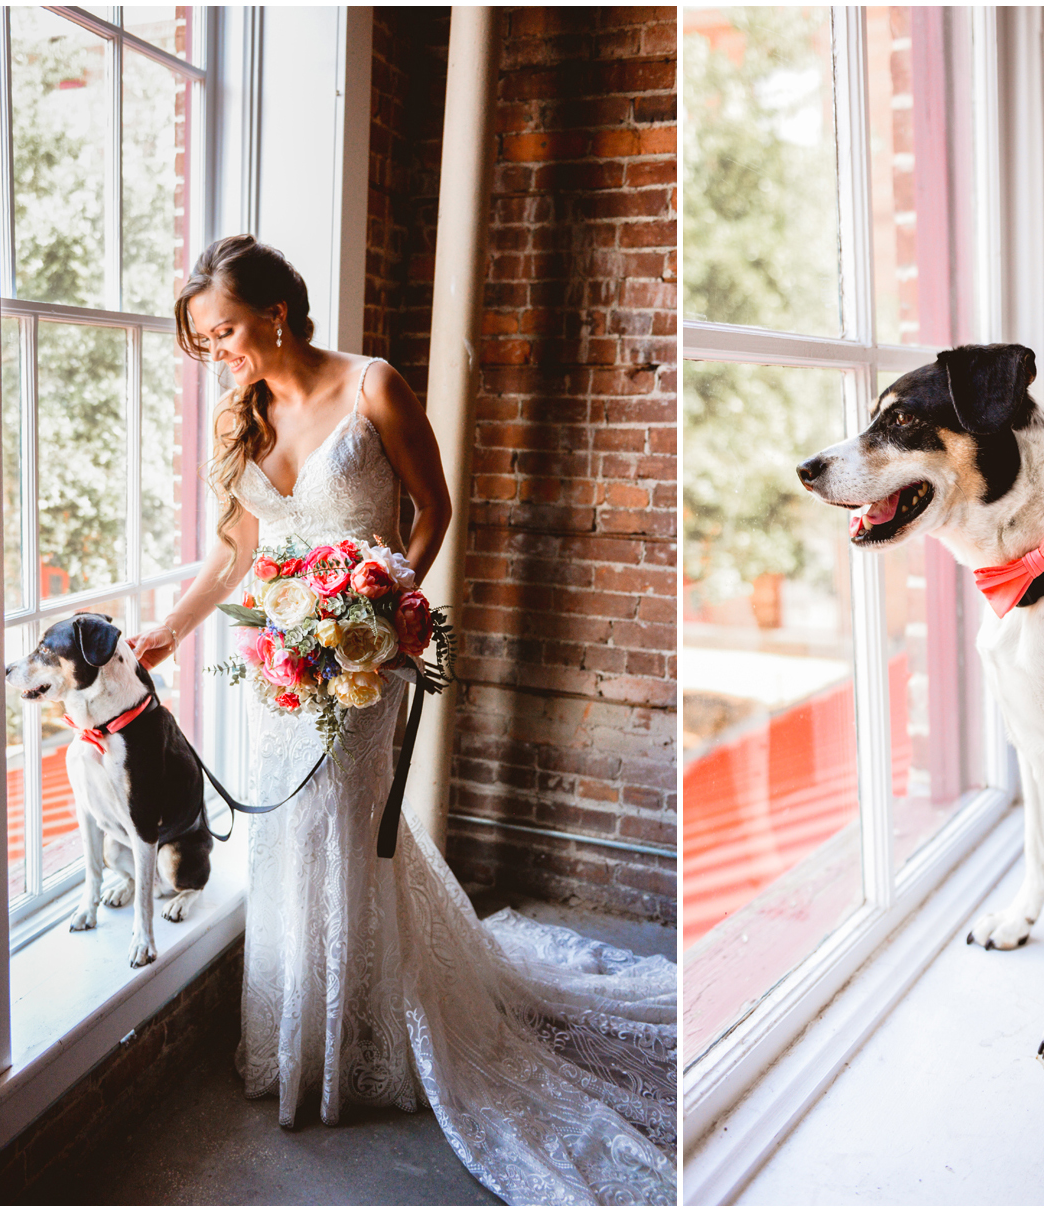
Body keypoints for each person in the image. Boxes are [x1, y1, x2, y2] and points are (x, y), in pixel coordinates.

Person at [128, 234, 677, 1205]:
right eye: (206, 342)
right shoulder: (242, 419)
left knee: (344, 823)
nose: (218, 352)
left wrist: (391, 602)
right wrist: (170, 630)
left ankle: (365, 1043)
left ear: (275, 315)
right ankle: (305, 1035)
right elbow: (235, 555)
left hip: (362, 658)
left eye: (224, 333)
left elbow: (433, 508)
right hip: (278, 664)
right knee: (289, 837)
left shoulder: (374, 386)